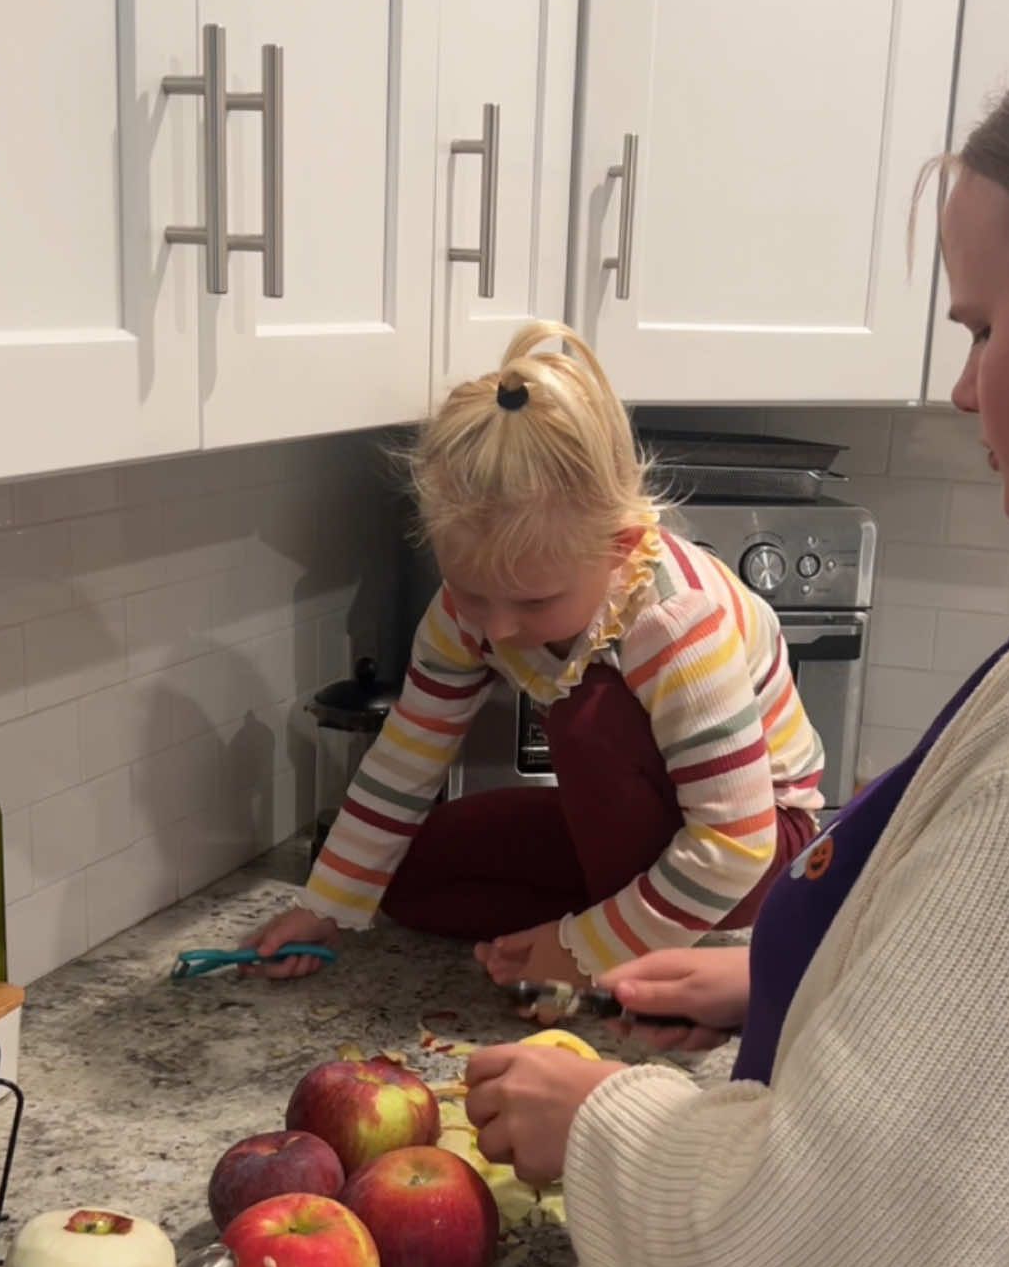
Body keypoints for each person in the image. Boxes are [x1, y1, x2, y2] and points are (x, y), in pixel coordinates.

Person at [464, 23, 1009, 1267]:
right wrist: (804, 976)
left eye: (983, 324)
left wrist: (594, 1120)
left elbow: (829, 1245)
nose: (966, 384)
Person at [244, 323, 824, 987]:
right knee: (405, 878)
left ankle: (633, 934)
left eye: (534, 602)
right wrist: (326, 905)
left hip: (762, 848)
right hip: (637, 835)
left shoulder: (672, 622)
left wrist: (580, 953)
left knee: (591, 714)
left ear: (621, 546)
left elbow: (736, 844)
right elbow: (407, 755)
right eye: (471, 591)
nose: (498, 627)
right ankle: (632, 916)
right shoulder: (475, 610)